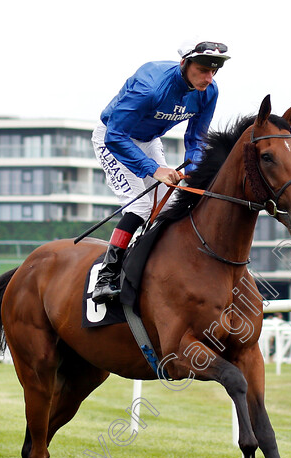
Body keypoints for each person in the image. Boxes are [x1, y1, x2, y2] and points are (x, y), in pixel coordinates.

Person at [90, 40, 231, 303]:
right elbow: (115, 135)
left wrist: (195, 169)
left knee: (170, 205)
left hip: (149, 140)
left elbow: (197, 139)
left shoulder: (209, 91)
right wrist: (153, 169)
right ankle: (106, 277)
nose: (208, 78)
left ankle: (154, 268)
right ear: (184, 64)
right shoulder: (150, 87)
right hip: (113, 138)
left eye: (214, 71)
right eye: (202, 70)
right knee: (141, 207)